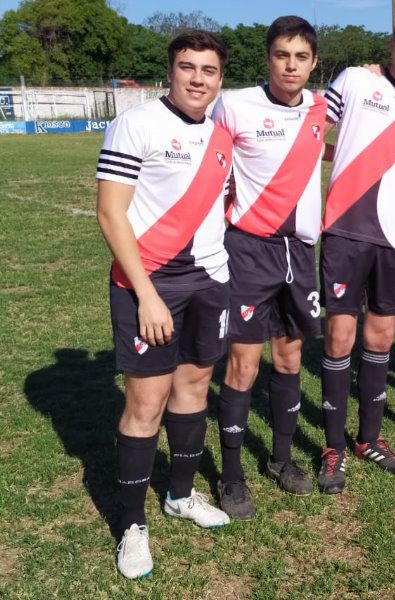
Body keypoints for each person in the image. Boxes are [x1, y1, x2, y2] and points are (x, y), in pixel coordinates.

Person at [96, 30, 233, 579]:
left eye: (209, 70)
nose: (197, 79)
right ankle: (132, 524)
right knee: (145, 405)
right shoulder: (136, 124)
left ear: (221, 78)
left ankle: (179, 494)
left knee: (194, 386)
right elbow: (111, 214)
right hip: (149, 284)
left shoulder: (222, 134)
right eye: (187, 67)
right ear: (170, 72)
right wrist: (147, 294)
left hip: (210, 279)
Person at [317, 7, 395, 493]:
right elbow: (306, 130)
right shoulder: (353, 81)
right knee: (339, 338)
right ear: (391, 43)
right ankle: (333, 448)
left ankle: (369, 438)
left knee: (382, 339)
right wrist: (343, 155)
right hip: (345, 231)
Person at [210, 16, 325, 519]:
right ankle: (231, 477)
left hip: (299, 252)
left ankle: (281, 459)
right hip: (249, 249)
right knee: (243, 363)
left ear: (313, 62)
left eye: (301, 57)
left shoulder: (321, 108)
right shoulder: (234, 105)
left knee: (290, 358)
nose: (291, 65)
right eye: (282, 55)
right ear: (268, 58)